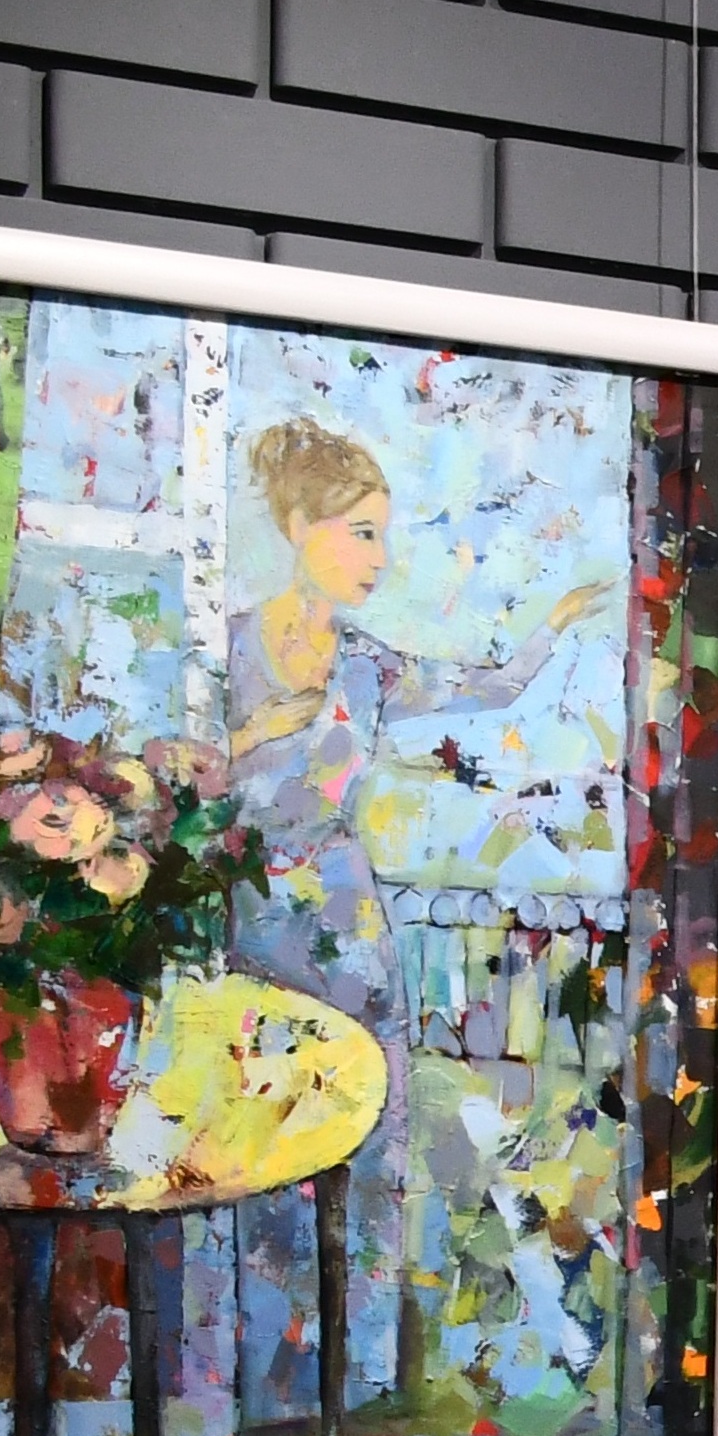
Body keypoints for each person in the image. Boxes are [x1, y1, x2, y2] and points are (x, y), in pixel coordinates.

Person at [223, 420, 613, 1009]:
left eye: (381, 537)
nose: (379, 559)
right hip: (240, 915)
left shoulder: (364, 666)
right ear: (300, 526)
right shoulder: (225, 649)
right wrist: (253, 734)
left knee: (375, 1058)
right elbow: (176, 772)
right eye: (363, 534)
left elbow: (492, 688)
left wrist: (555, 621)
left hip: (346, 928)